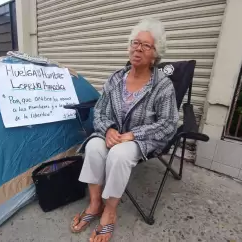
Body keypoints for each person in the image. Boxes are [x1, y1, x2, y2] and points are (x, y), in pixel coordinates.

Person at [70, 18, 179, 242]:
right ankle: (94, 203)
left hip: (141, 139)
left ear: (155, 54)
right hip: (114, 134)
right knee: (93, 146)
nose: (137, 49)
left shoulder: (162, 85)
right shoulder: (116, 78)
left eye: (145, 45)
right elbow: (99, 111)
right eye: (134, 43)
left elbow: (169, 123)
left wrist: (133, 135)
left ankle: (109, 214)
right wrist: (108, 129)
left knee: (119, 155)